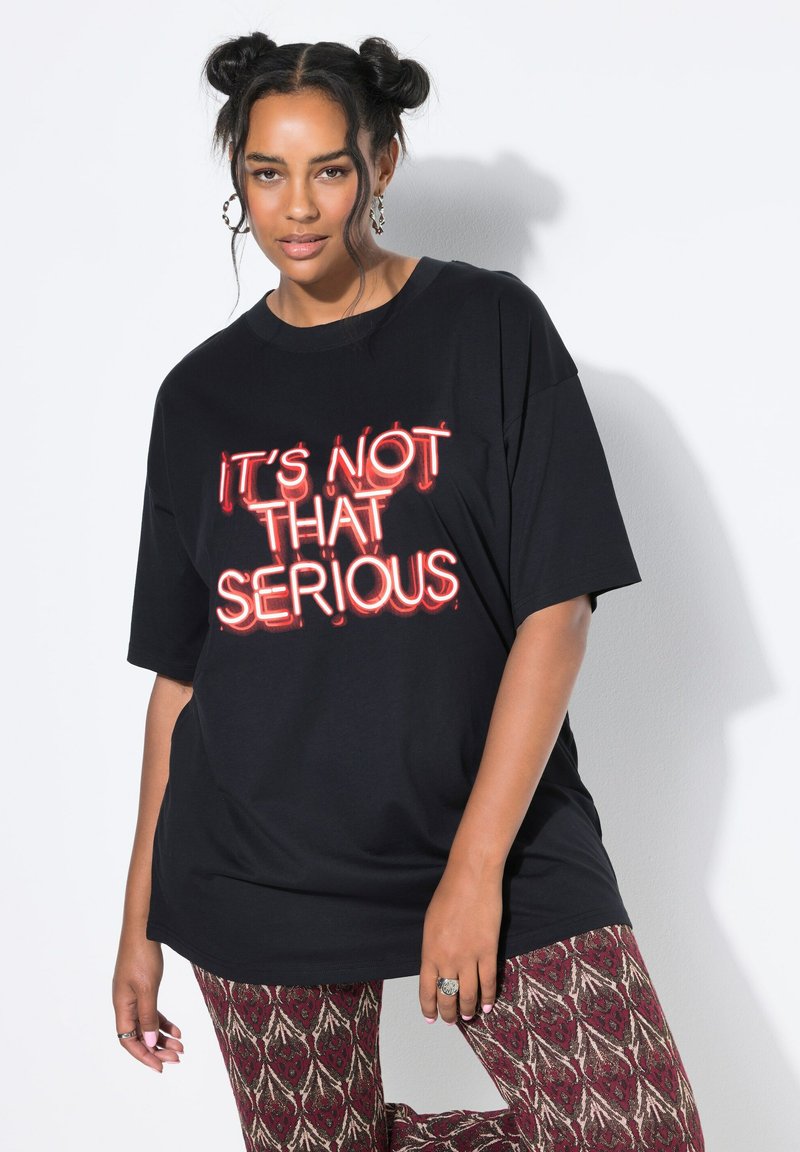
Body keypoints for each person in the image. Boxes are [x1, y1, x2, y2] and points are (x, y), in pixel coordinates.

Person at [112, 30, 706, 1152]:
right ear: (237, 174)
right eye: (266, 172)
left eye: (329, 170)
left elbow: (556, 609)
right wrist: (137, 921)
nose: (297, 207)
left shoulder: (488, 327)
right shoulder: (197, 398)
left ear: (380, 164)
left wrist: (474, 871)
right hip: (257, 867)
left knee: (639, 1133)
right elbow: (180, 679)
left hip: (496, 834)